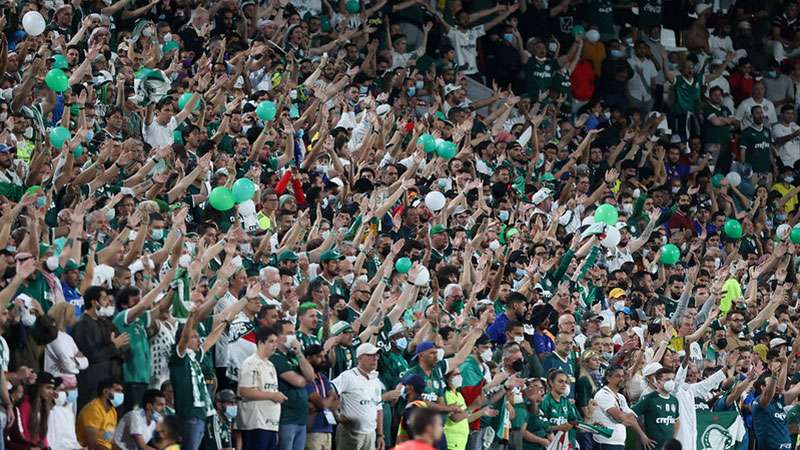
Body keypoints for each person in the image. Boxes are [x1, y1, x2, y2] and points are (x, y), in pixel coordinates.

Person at [237, 327, 286, 450]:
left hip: (271, 423)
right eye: (271, 341)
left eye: (276, 342)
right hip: (256, 423)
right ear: (260, 343)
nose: (275, 345)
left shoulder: (270, 365)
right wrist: (273, 396)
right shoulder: (251, 363)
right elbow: (244, 391)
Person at [332, 343, 385, 450]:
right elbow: (329, 391)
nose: (375, 358)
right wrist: (337, 415)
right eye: (371, 355)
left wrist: (380, 435)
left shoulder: (375, 380)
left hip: (370, 434)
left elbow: (379, 409)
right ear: (359, 358)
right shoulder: (348, 376)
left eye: (377, 355)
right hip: (349, 433)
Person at [6, 371, 59, 450]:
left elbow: (42, 436)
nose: (51, 392)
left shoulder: (44, 406)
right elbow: (23, 435)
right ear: (38, 387)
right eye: (48, 388)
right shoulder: (26, 405)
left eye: (52, 388)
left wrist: (45, 447)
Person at [632, 368, 681, 450]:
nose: (671, 382)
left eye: (673, 379)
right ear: (658, 382)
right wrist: (642, 436)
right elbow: (631, 416)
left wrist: (673, 438)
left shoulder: (674, 400)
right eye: (667, 379)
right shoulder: (649, 398)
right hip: (652, 447)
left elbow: (677, 420)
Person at [76, 378, 124, 450]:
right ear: (105, 392)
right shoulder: (93, 409)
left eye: (121, 391)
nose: (121, 394)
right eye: (117, 390)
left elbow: (111, 442)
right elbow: (92, 445)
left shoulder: (113, 411)